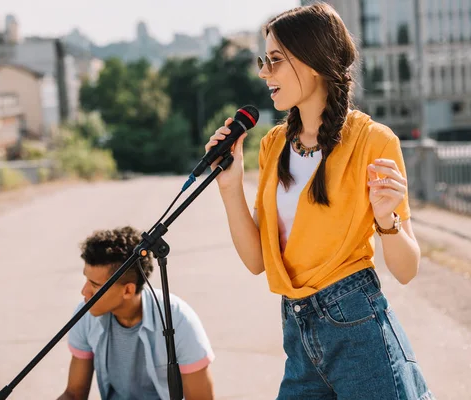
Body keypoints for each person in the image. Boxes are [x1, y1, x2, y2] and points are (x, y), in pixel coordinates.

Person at [205, 3, 435, 400]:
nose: (264, 72)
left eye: (275, 60)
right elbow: (257, 261)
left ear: (313, 62)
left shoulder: (373, 141)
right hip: (297, 333)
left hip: (359, 331)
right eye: (264, 60)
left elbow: (407, 269)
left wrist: (386, 220)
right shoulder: (274, 145)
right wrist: (230, 186)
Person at [57, 226, 215, 400]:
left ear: (128, 290)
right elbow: (73, 394)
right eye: (86, 279)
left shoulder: (178, 319)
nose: (84, 292)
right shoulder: (85, 314)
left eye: (94, 285)